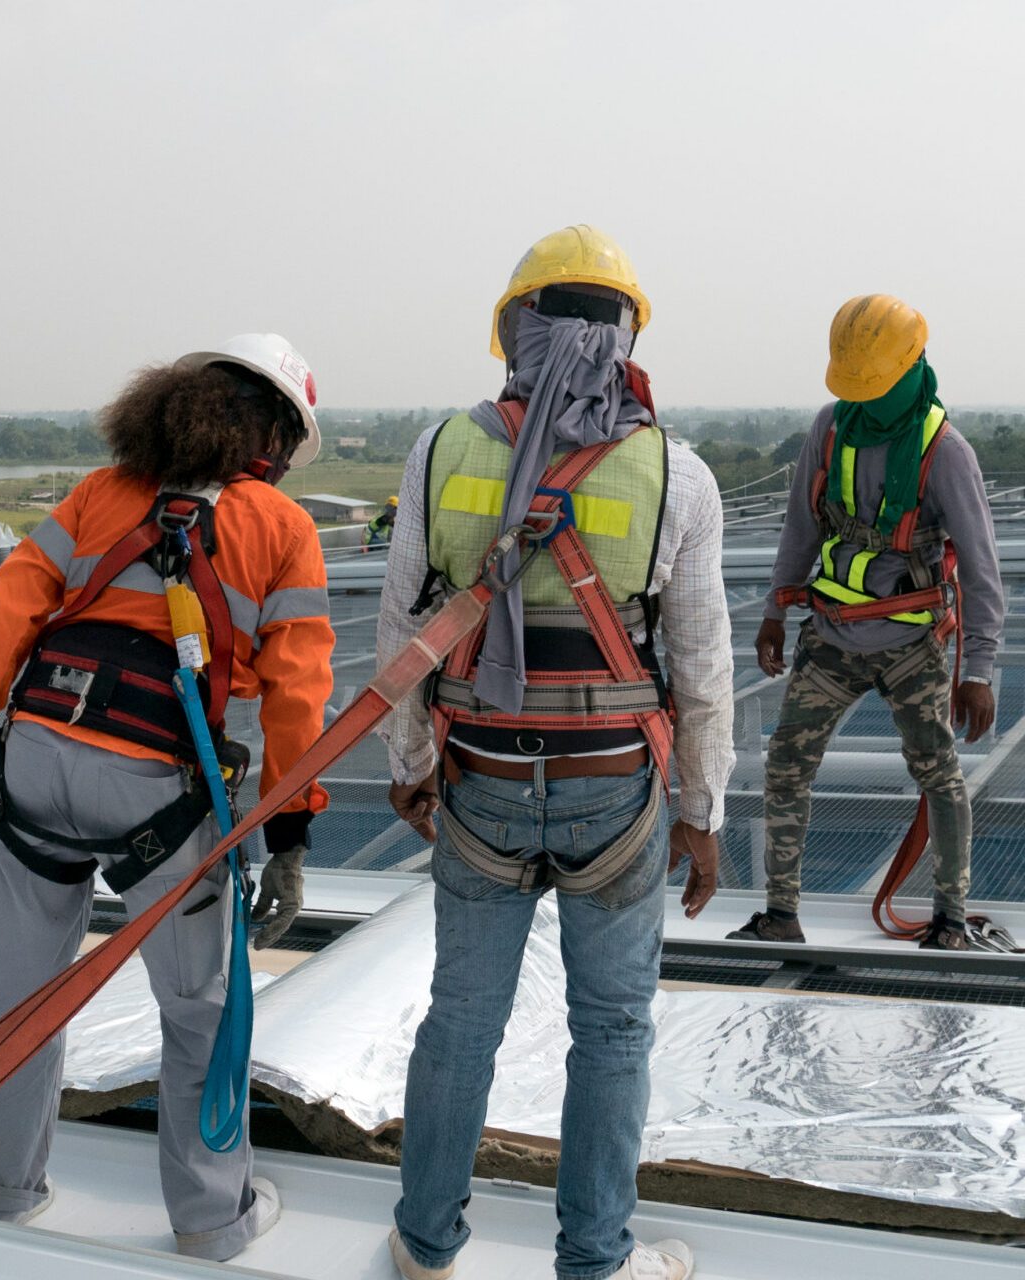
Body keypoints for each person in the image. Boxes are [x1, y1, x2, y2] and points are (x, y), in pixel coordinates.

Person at [0, 335, 334, 1261]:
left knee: (14, 994)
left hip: (34, 759)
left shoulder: (102, 493)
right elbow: (297, 699)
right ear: (271, 436)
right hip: (155, 787)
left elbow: (12, 604)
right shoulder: (281, 527)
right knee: (198, 1009)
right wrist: (290, 838)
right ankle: (212, 1220)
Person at [379, 225, 725, 1280]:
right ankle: (596, 1258)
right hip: (611, 791)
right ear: (626, 338)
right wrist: (702, 812)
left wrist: (410, 765)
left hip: (479, 780)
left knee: (460, 1019)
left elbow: (402, 633)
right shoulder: (676, 474)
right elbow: (700, 665)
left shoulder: (440, 451)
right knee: (611, 1028)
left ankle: (426, 1243)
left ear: (515, 330)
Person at [738, 294, 1004, 948]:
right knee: (786, 765)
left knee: (937, 773)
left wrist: (978, 672)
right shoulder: (832, 428)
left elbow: (981, 569)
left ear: (909, 367)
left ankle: (949, 919)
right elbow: (801, 526)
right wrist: (775, 608)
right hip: (832, 634)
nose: (864, 396)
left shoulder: (945, 452)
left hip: (910, 642)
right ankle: (781, 915)